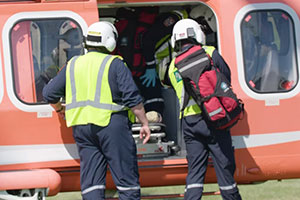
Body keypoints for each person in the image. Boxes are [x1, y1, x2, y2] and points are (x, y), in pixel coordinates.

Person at [42, 21, 151, 200]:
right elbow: (133, 98)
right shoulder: (115, 63)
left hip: (82, 129)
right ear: (110, 42)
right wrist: (145, 123)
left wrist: (59, 108)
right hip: (111, 126)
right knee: (126, 181)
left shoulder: (73, 64)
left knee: (92, 183)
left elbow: (48, 93)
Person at [166, 18, 242, 200]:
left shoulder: (172, 66)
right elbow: (226, 78)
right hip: (213, 118)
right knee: (224, 168)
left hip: (189, 123)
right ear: (197, 34)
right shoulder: (209, 53)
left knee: (195, 172)